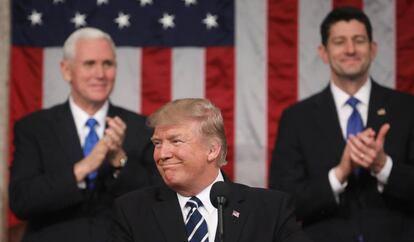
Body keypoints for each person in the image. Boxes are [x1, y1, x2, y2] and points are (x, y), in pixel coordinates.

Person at [269, 6, 414, 242]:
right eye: (339, 42)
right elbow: (283, 201)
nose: (350, 49)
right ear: (324, 52)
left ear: (373, 49)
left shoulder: (408, 109)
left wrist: (383, 166)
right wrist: (339, 173)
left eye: (359, 40)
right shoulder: (296, 118)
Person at [9, 27, 160, 242]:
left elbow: (158, 199)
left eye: (107, 64)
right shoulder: (34, 128)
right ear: (66, 70)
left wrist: (120, 161)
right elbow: (21, 201)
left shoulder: (142, 127)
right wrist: (84, 167)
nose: (100, 74)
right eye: (90, 64)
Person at [109, 98, 311, 242]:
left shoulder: (270, 210)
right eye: (157, 143)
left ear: (212, 150)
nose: (162, 154)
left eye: (175, 141)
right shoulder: (132, 211)